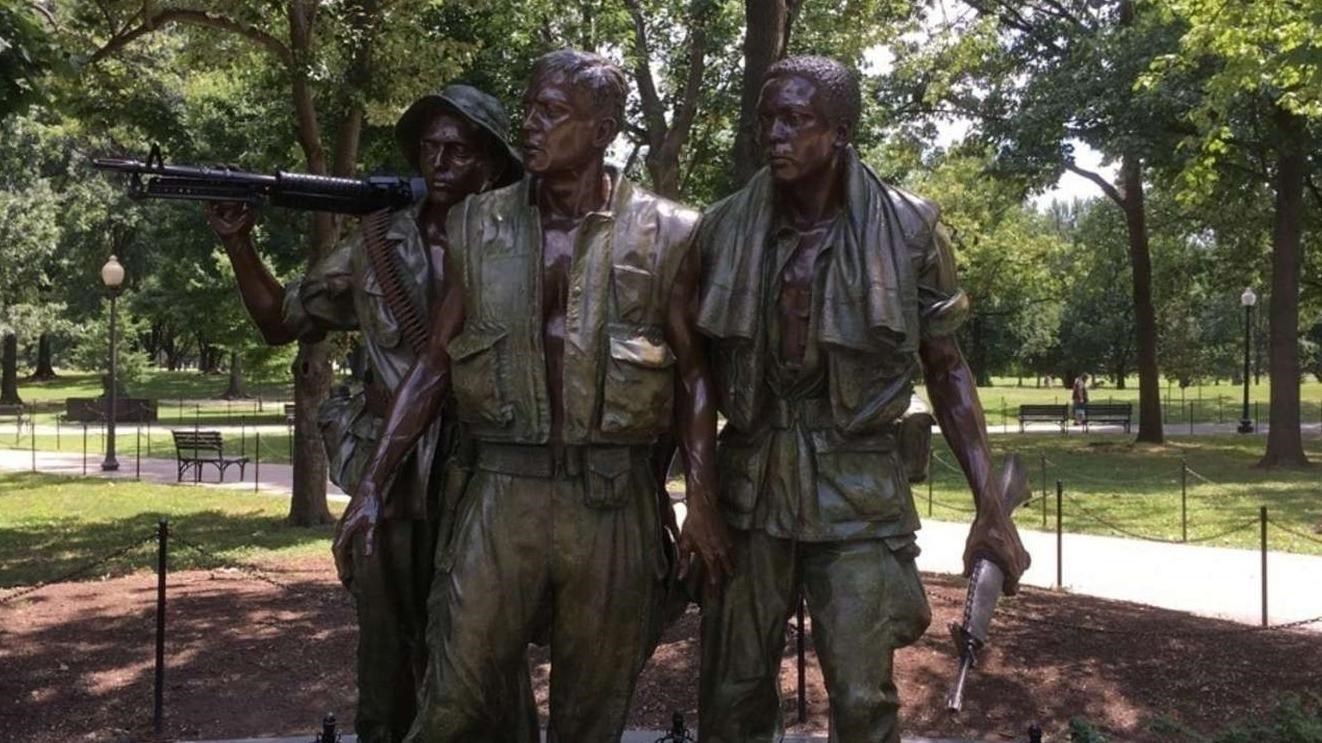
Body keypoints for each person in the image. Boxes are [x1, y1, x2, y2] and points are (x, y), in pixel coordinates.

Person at [335, 50, 733, 743]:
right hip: (500, 492)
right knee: (452, 700)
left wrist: (700, 504)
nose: (528, 123)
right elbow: (432, 366)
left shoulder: (671, 231)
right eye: (528, 107)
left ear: (603, 127)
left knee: (590, 715)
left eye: (550, 111)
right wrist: (371, 484)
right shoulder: (477, 225)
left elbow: (696, 375)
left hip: (610, 500)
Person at [694, 56, 1031, 743]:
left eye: (794, 119)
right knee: (731, 688)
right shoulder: (722, 228)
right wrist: (696, 499)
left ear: (841, 130)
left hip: (857, 484)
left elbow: (948, 366)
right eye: (766, 119)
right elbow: (691, 370)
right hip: (750, 481)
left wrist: (990, 506)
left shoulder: (909, 228)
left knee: (860, 689)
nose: (774, 135)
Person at [206, 84, 531, 743]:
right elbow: (281, 319)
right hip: (394, 471)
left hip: (488, 474)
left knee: (487, 652)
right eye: (429, 147)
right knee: (386, 655)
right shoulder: (374, 244)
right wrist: (240, 244)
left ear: (493, 164)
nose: (438, 161)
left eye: (458, 149)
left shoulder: (524, 247)